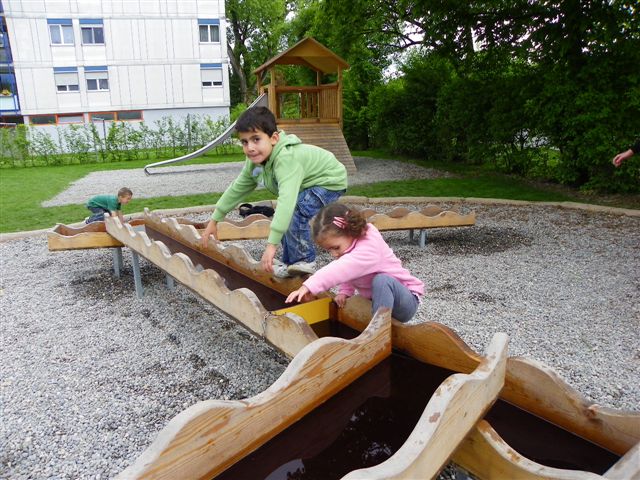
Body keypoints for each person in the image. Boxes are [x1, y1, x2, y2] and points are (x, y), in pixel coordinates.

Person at [200, 107, 348, 277]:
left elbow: (286, 203)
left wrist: (271, 246)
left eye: (256, 139)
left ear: (274, 138)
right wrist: (214, 220)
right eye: (245, 142)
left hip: (329, 181)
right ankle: (290, 263)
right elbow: (237, 189)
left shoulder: (285, 159)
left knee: (293, 211)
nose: (250, 147)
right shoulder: (254, 163)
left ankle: (304, 260)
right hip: (308, 183)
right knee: (282, 216)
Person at [285, 203, 424, 322]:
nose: (333, 254)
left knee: (382, 280)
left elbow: (343, 268)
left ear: (350, 232)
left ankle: (378, 329)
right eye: (329, 250)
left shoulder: (370, 247)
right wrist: (345, 291)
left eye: (335, 247)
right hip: (379, 301)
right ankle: (378, 323)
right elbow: (350, 270)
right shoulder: (349, 248)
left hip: (404, 303)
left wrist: (309, 285)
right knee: (362, 275)